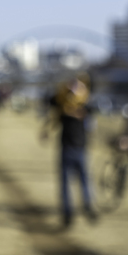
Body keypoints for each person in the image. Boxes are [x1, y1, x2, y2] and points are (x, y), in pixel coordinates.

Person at [43, 73, 97, 228]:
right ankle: (67, 213)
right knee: (65, 183)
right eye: (73, 85)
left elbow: (89, 111)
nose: (75, 89)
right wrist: (63, 90)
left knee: (85, 180)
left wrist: (79, 94)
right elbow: (50, 101)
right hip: (65, 147)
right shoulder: (62, 101)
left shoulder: (86, 103)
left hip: (81, 148)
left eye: (79, 86)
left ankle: (88, 206)